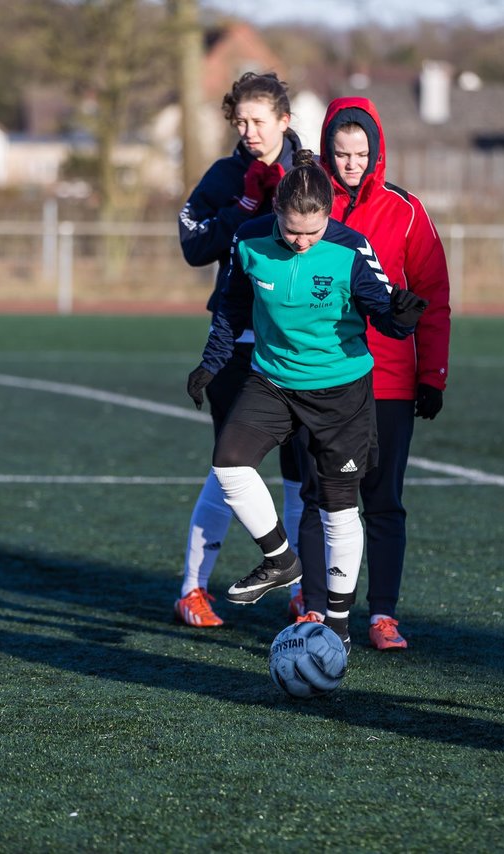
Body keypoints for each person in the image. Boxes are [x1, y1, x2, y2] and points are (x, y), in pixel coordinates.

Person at [185, 151, 428, 651]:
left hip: (341, 392)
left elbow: (381, 312)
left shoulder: (351, 248)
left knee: (339, 509)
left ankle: (337, 622)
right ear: (276, 213)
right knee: (229, 462)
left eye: (313, 232)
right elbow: (231, 305)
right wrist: (211, 362)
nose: (302, 241)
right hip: (272, 381)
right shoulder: (248, 239)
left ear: (327, 218)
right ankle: (280, 559)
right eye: (293, 231)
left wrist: (400, 318)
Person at [288, 97, 452, 651]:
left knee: (383, 500)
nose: (351, 162)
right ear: (328, 149)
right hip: (320, 377)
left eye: (360, 153)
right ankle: (314, 609)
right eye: (341, 152)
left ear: (376, 151)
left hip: (388, 383)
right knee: (319, 493)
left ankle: (382, 615)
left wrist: (432, 373)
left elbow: (433, 296)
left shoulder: (405, 210)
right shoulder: (306, 201)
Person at [174, 72, 305, 628]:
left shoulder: (311, 175)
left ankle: (304, 592)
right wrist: (244, 205)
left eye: (259, 120)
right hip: (238, 346)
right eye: (241, 121)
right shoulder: (225, 175)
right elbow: (193, 245)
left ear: (284, 120)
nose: (249, 131)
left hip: (301, 347)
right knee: (228, 470)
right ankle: (192, 590)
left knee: (303, 475)